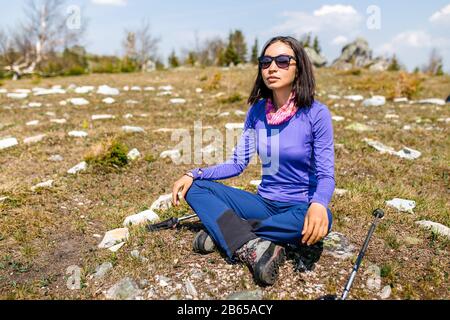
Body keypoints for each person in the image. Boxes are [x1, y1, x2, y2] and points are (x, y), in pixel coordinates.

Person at [172, 36, 335, 286]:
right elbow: (237, 164)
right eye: (265, 61)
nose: (272, 67)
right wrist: (194, 173)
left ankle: (224, 232)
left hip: (298, 207)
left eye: (282, 61)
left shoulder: (316, 113)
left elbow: (325, 175)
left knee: (323, 220)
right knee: (197, 188)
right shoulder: (257, 112)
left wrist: (319, 204)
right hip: (263, 203)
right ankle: (243, 236)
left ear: (298, 67)